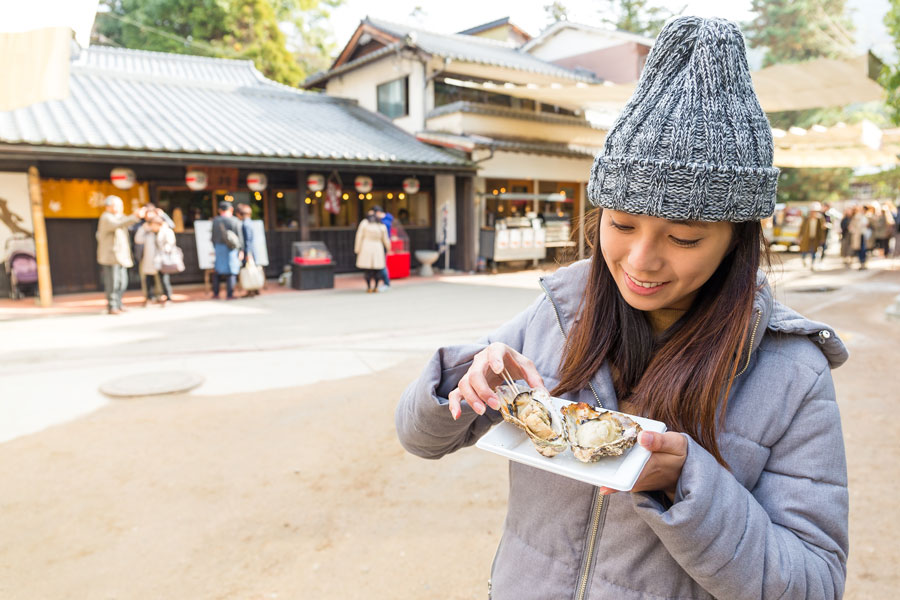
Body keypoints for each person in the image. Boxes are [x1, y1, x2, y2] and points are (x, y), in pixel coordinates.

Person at [396, 17, 848, 600]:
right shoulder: (561, 311)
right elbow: (419, 438)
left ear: (737, 240)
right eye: (622, 224)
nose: (641, 261)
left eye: (683, 238)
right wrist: (467, 376)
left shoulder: (792, 372)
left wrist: (687, 485)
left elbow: (813, 584)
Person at [96, 195, 144, 314]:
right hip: (111, 255)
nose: (120, 207)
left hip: (121, 255)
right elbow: (118, 224)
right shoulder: (106, 217)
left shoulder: (119, 217)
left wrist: (135, 216)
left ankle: (119, 303)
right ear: (108, 206)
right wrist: (135, 216)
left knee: (122, 281)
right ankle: (112, 306)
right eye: (117, 205)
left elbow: (125, 221)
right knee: (113, 282)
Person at [134, 215, 175, 306]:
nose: (154, 227)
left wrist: (165, 249)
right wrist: (143, 229)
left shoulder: (165, 231)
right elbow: (138, 240)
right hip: (149, 259)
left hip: (161, 260)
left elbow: (170, 242)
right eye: (152, 224)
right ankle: (149, 297)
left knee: (164, 279)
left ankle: (168, 297)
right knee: (149, 280)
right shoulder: (147, 233)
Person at [211, 201, 243, 299]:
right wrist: (241, 250)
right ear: (231, 209)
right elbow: (239, 237)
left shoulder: (215, 221)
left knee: (217, 270)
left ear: (219, 210)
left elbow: (212, 237)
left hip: (218, 248)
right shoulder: (235, 220)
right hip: (231, 248)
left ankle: (216, 293)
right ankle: (230, 294)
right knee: (231, 271)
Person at [354, 209, 390, 293]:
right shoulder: (381, 225)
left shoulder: (364, 223)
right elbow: (386, 239)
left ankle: (369, 287)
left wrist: (357, 249)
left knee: (368, 270)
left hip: (366, 247)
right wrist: (388, 248)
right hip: (378, 248)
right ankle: (376, 286)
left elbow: (359, 236)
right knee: (377, 269)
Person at [236, 203, 260, 297]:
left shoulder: (245, 224)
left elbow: (248, 240)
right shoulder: (250, 222)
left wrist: (248, 253)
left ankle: (251, 290)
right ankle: (254, 290)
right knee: (252, 269)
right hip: (252, 250)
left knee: (249, 269)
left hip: (249, 250)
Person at [798, 202, 826, 270]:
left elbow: (822, 230)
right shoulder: (806, 218)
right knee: (804, 250)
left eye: (815, 211)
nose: (814, 213)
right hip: (806, 237)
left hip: (815, 238)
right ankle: (803, 259)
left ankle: (812, 264)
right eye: (812, 211)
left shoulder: (820, 219)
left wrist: (822, 238)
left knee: (814, 251)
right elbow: (802, 228)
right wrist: (799, 236)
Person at [374, 205, 393, 291]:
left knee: (382, 264)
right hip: (383, 244)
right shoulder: (387, 219)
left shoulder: (384, 222)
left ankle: (386, 282)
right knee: (382, 264)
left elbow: (385, 236)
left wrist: (388, 248)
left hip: (383, 244)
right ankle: (385, 282)